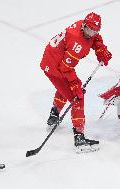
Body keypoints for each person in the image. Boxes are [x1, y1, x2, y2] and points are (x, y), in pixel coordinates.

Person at [40, 12, 112, 153]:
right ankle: (79, 138)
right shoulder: (77, 42)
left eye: (94, 30)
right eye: (88, 29)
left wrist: (100, 49)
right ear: (84, 26)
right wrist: (75, 85)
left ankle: (54, 115)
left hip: (54, 59)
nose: (90, 33)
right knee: (76, 96)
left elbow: (95, 37)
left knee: (66, 89)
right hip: (54, 67)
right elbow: (65, 68)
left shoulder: (83, 25)